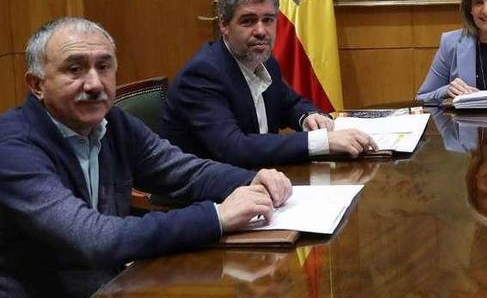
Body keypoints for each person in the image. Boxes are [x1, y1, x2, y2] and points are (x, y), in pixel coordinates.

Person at [0, 17, 293, 297]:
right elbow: (94, 239)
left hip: (112, 283)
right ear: (36, 85)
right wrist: (216, 216)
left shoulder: (113, 122)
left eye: (104, 67)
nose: (94, 84)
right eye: (74, 69)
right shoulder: (13, 148)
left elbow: (183, 172)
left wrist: (251, 178)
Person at [161, 0, 376, 167]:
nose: (261, 31)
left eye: (268, 20)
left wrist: (309, 117)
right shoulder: (202, 75)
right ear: (224, 25)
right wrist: (323, 142)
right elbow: (234, 148)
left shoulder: (264, 61)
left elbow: (290, 104)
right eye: (248, 21)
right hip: (206, 197)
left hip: (258, 179)